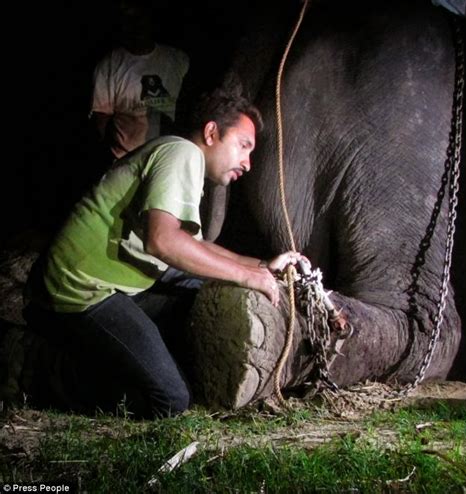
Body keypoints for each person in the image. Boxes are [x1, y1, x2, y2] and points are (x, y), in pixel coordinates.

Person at [23, 85, 306, 419]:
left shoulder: (183, 162)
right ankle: (34, 366)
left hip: (112, 283)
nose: (248, 162)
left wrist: (261, 265)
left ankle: (112, 355)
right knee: (169, 399)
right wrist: (246, 275)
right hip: (81, 289)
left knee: (199, 288)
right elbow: (163, 241)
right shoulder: (180, 153)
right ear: (212, 133)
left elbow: (197, 248)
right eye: (244, 146)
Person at [90, 0, 189, 160]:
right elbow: (101, 120)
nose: (135, 25)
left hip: (167, 156)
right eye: (128, 19)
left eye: (139, 17)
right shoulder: (110, 65)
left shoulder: (177, 60)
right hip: (126, 159)